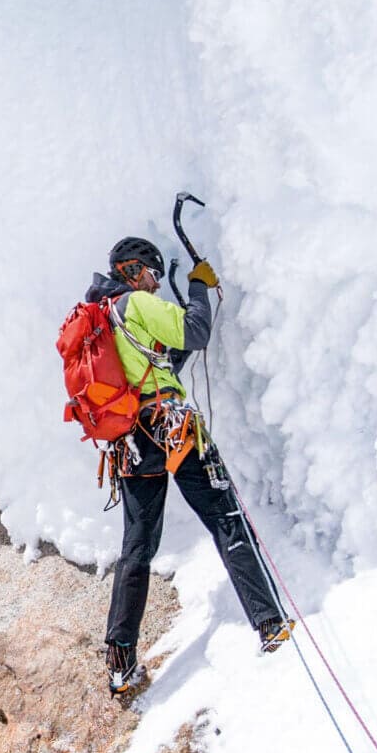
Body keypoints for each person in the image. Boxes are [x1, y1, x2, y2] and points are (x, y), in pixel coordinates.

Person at [88, 236, 294, 694]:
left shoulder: (104, 316)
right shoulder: (135, 303)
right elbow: (196, 332)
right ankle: (269, 623)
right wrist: (199, 287)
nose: (156, 285)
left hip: (132, 441)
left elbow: (160, 363)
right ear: (133, 270)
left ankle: (119, 662)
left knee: (137, 547)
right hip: (172, 427)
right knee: (224, 518)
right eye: (152, 275)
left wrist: (182, 306)